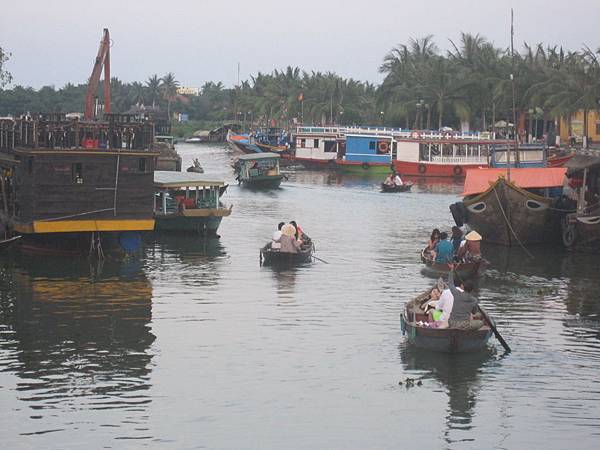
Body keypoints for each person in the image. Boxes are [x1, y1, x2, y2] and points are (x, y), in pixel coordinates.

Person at [446, 265, 483, 330]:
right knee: (481, 323)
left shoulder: (457, 293)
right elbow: (474, 312)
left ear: (462, 287)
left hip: (451, 322)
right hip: (464, 325)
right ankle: (470, 334)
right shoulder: (474, 300)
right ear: (472, 290)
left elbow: (450, 284)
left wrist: (451, 270)